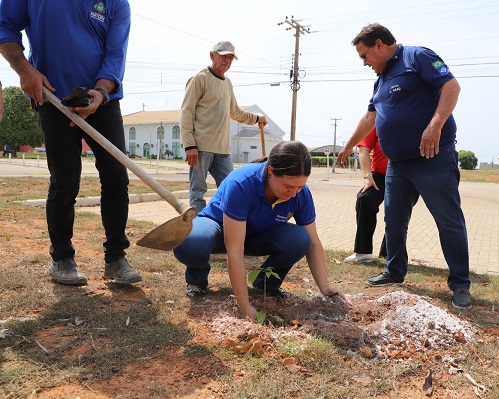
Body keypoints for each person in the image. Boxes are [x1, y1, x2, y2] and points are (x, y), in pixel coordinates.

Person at [0, 0, 141, 286]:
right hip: (51, 96)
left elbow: (115, 55)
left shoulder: (116, 3)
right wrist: (24, 70)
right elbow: (5, 27)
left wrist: (100, 92)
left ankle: (116, 258)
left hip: (101, 99)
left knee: (116, 177)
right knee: (65, 180)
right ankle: (61, 257)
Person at [337, 23, 472, 309]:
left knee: (448, 221)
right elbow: (371, 116)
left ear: (379, 45)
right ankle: (394, 271)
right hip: (397, 165)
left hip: (432, 158)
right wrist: (349, 145)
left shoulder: (416, 57)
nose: (364, 63)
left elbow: (452, 85)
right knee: (393, 220)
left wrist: (435, 125)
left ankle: (460, 284)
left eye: (365, 56)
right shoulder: (381, 79)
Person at [173, 141, 350, 321]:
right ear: (271, 171)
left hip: (258, 234)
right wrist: (244, 306)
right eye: (288, 186)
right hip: (219, 228)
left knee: (301, 239)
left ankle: (267, 284)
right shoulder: (241, 183)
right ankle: (197, 278)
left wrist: (325, 287)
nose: (294, 193)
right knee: (189, 242)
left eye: (300, 187)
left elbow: (313, 244)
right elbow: (235, 249)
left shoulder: (300, 194)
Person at [180, 41, 268, 213]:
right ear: (212, 55)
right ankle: (198, 230)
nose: (227, 61)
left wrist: (256, 118)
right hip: (201, 147)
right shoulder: (200, 78)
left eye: (230, 58)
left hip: (222, 149)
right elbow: (186, 112)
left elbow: (235, 112)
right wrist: (189, 145)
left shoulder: (227, 83)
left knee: (231, 188)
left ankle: (225, 221)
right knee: (198, 192)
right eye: (223, 56)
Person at [344, 127, 388, 263]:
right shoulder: (377, 121)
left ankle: (389, 253)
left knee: (397, 211)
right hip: (378, 175)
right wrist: (367, 176)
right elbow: (364, 149)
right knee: (365, 199)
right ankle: (363, 252)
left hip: (403, 175)